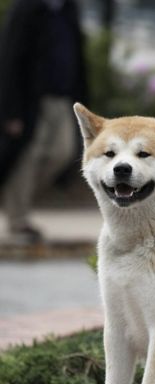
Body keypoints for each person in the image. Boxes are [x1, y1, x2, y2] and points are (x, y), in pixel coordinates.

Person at [0, 0, 87, 243]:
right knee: (28, 155)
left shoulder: (68, 10)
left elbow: (77, 60)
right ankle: (18, 219)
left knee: (64, 152)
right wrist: (11, 112)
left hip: (63, 99)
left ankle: (15, 200)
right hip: (31, 101)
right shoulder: (26, 9)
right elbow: (9, 60)